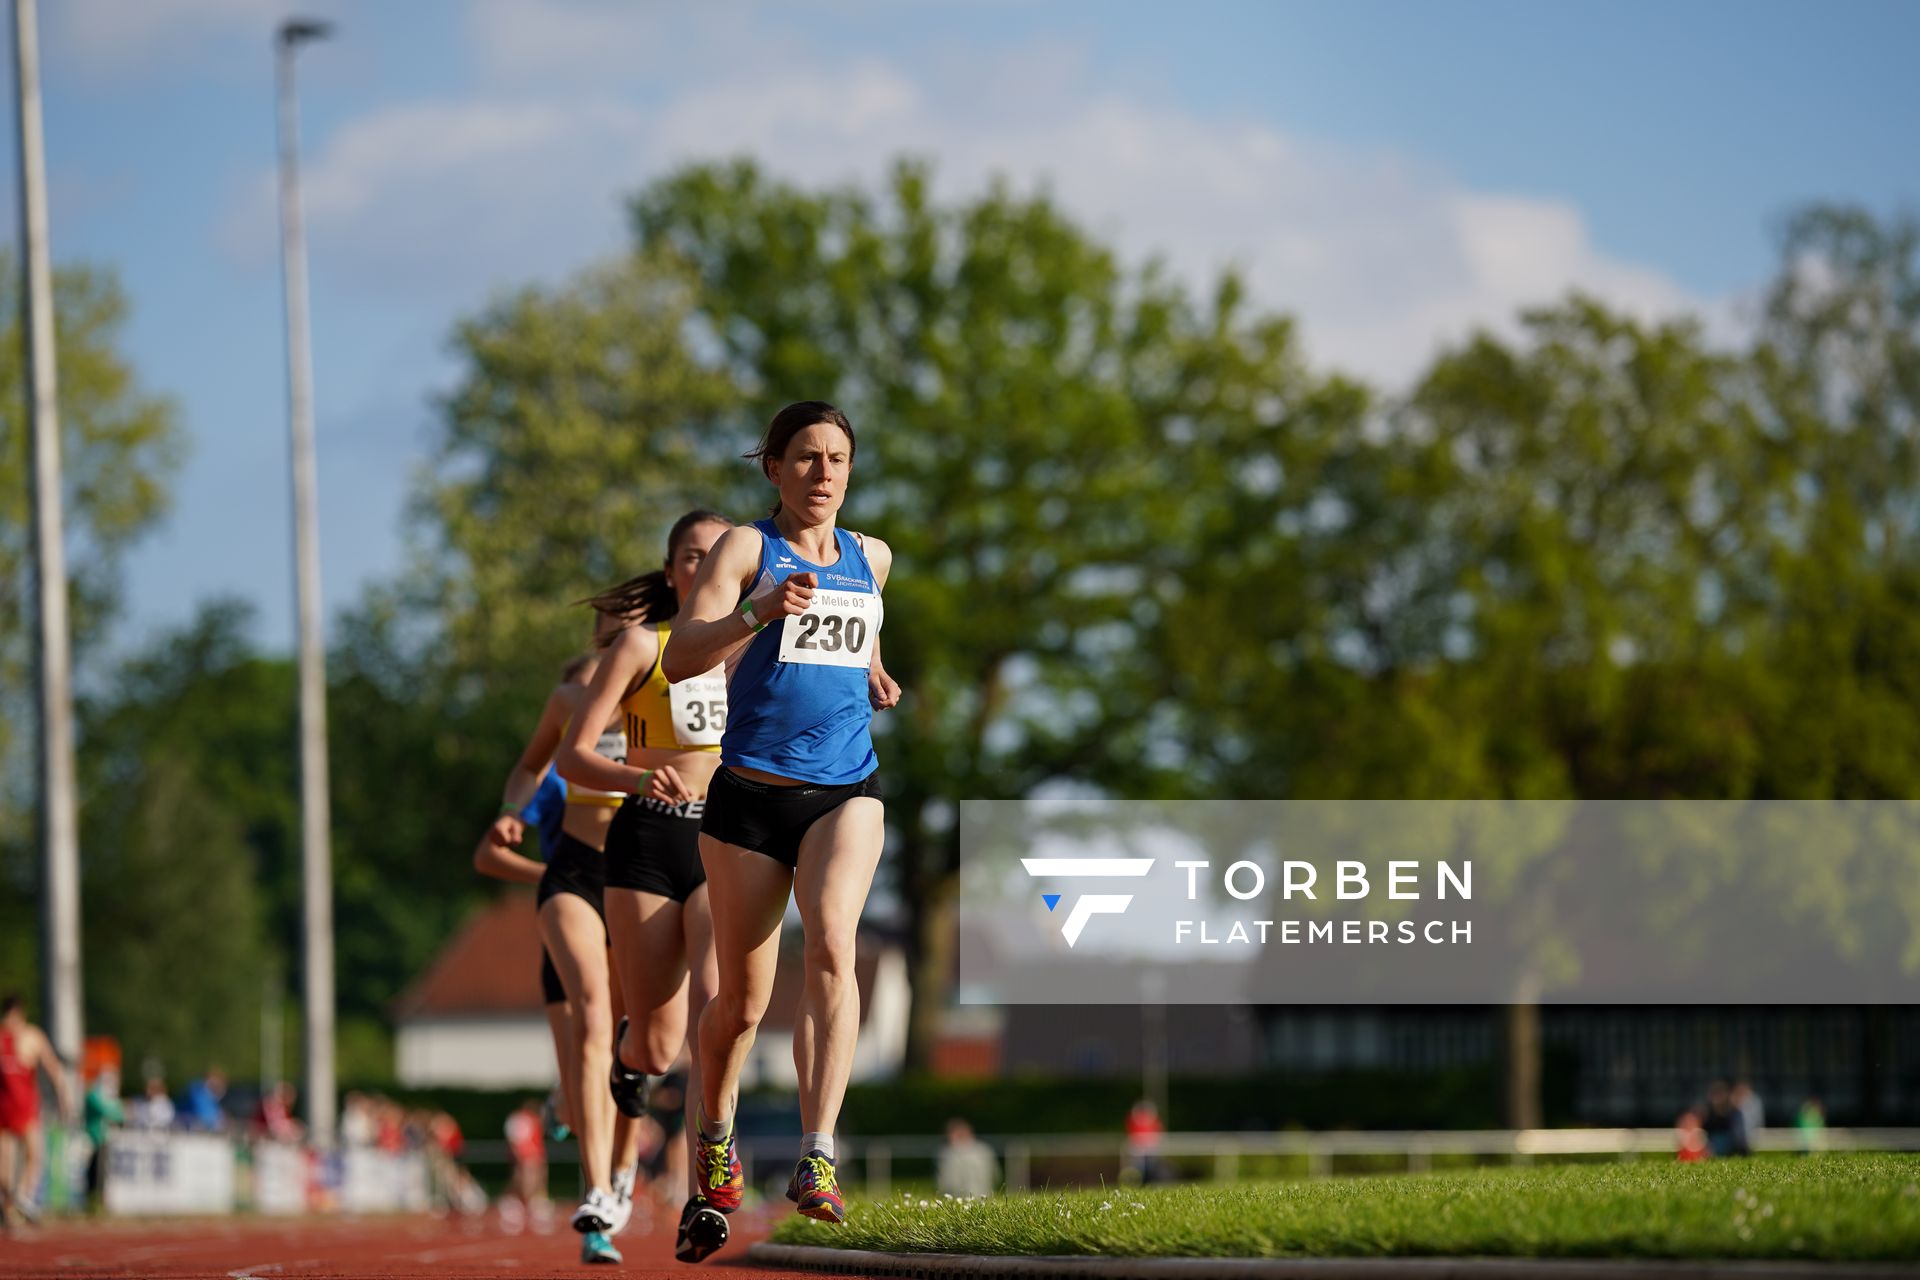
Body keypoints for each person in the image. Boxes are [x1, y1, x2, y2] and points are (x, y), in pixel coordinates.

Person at [663, 402, 900, 1230]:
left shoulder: (873, 555)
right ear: (773, 467)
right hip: (750, 800)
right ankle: (717, 1134)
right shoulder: (743, 549)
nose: (824, 472)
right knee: (742, 1004)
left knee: (835, 940)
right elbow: (681, 657)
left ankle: (818, 1152)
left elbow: (856, 629)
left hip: (845, 789)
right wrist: (756, 612)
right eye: (805, 458)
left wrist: (873, 670)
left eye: (837, 458)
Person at [558, 509, 733, 1263]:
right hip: (648, 838)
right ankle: (630, 1067)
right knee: (658, 1044)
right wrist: (636, 774)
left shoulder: (757, 648)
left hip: (729, 839)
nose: (702, 567)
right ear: (671, 573)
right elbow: (572, 757)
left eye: (717, 555)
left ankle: (705, 1190)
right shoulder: (641, 646)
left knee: (718, 1014)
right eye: (690, 556)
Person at [489, 621, 644, 1265]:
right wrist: (512, 816)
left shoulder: (659, 693)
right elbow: (527, 770)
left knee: (635, 1044)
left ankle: (622, 1162)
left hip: (640, 877)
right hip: (573, 876)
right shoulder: (566, 714)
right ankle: (598, 1200)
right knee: (592, 1021)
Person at [0, 995, 74, 1226]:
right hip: (11, 1107)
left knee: (27, 1156)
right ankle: (12, 1205)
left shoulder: (28, 1037)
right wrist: (64, 1096)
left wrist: (63, 1096)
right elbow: (54, 1068)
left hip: (20, 1106)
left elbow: (53, 1068)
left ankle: (18, 1199)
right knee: (13, 1160)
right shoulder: (18, 1037)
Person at [936, 1118, 999, 1199]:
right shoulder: (985, 1149)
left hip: (959, 1201)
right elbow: (996, 1176)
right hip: (986, 1198)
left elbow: (945, 1184)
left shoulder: (948, 1154)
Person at [1125, 1098, 1165, 1184]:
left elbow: (1157, 1133)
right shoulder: (1133, 1118)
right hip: (1138, 1147)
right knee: (1138, 1166)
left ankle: (1152, 1179)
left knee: (1152, 1165)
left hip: (1150, 1147)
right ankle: (1139, 1180)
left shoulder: (1154, 1119)